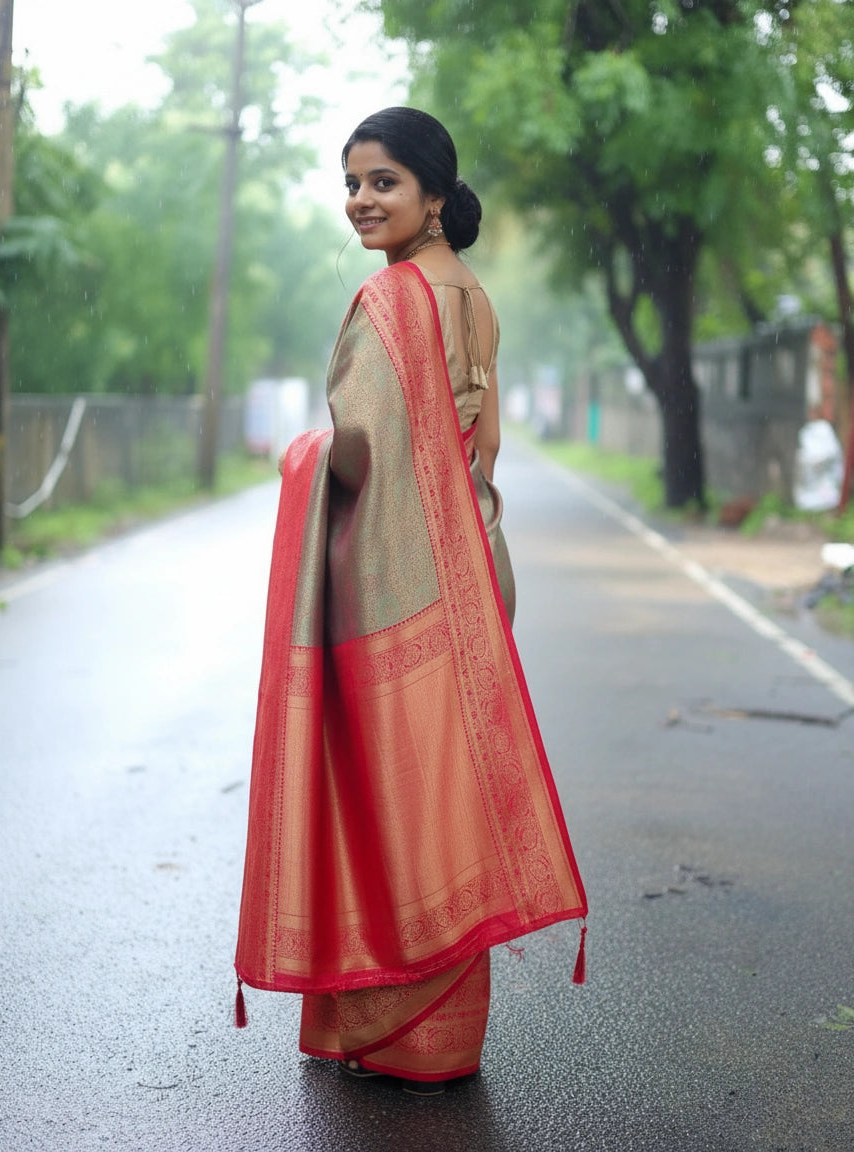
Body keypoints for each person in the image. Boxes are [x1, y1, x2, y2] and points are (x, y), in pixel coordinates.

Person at [235, 107, 587, 1096]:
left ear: (433, 192)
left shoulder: (390, 300)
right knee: (445, 796)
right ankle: (444, 1032)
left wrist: (298, 457)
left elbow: (359, 452)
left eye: (381, 182)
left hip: (398, 581)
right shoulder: (469, 294)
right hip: (478, 563)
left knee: (388, 801)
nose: (359, 200)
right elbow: (472, 446)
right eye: (350, 183)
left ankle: (393, 1027)